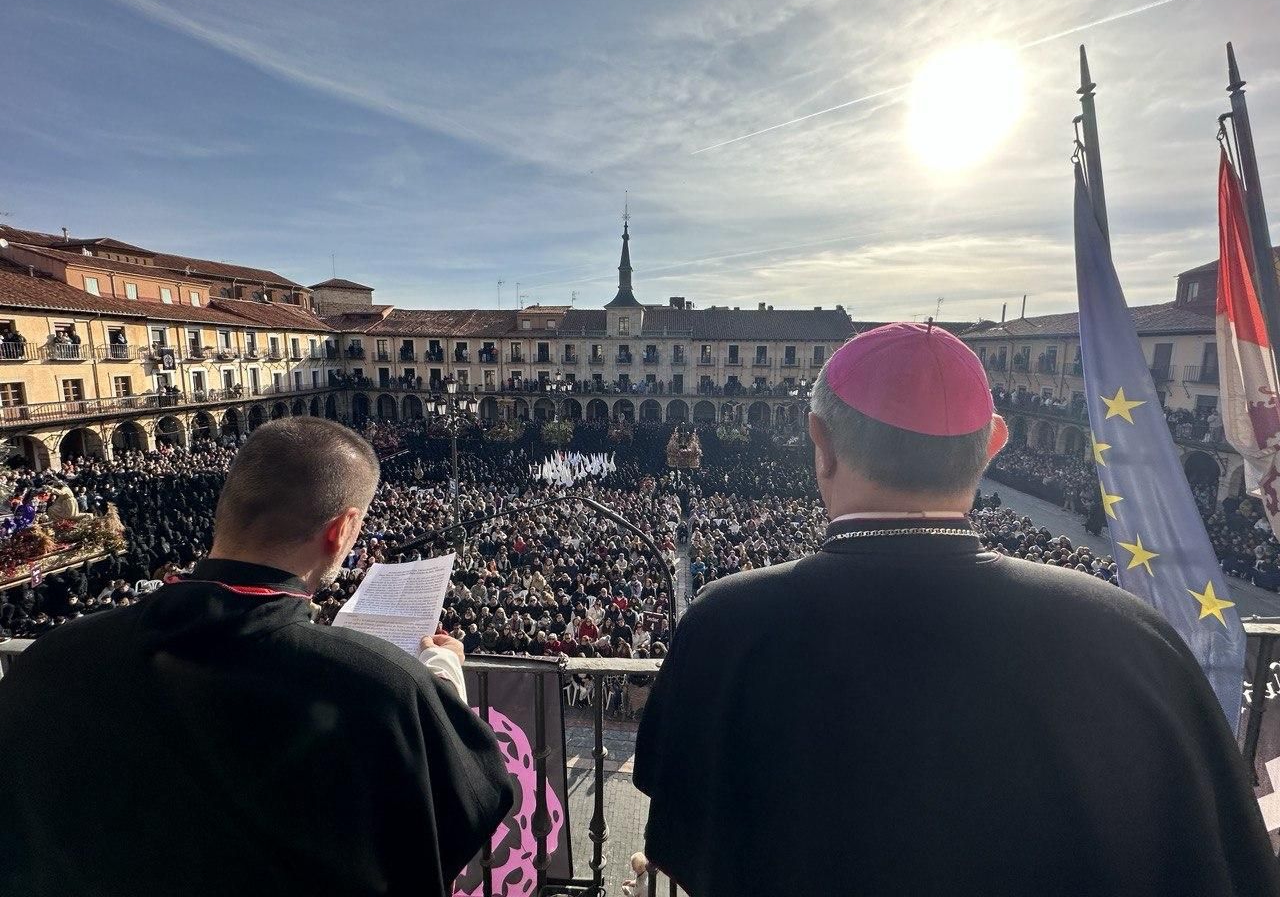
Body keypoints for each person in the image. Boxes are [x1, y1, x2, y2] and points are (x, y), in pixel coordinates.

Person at [634, 322, 1278, 897]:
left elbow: (683, 842)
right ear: (993, 443)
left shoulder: (726, 625)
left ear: (820, 442)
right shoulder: (1133, 638)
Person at [0, 417, 514, 897]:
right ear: (343, 529)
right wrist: (441, 678)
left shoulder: (50, 661)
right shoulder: (381, 687)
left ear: (228, 506)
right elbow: (473, 801)